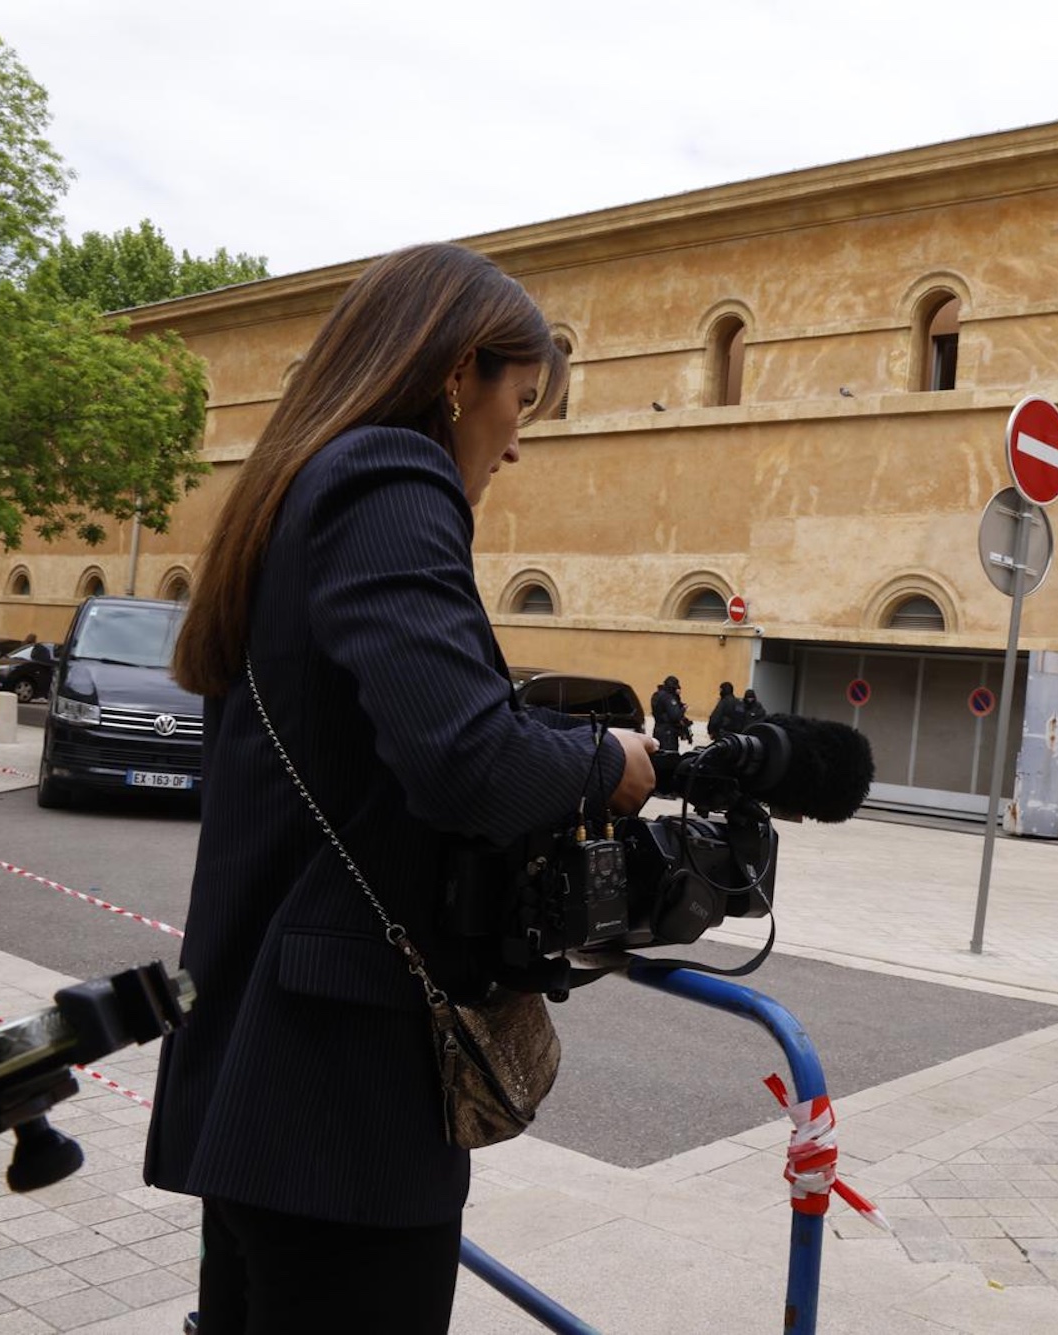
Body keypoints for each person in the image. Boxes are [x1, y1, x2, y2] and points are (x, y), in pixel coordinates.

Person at [143, 242, 658, 1334]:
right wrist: (613, 765)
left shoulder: (301, 482)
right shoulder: (386, 476)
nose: (516, 442)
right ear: (459, 372)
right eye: (521, 401)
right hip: (339, 1109)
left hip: (266, 1084)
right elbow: (468, 760)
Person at [651, 675, 689, 755]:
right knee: (669, 757)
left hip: (658, 729)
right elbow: (675, 716)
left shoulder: (657, 695)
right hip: (668, 733)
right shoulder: (668, 697)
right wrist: (683, 709)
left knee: (658, 755)